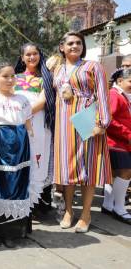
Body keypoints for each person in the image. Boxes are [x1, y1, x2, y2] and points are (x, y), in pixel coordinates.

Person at [53, 31, 111, 233]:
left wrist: (102, 123)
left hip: (86, 119)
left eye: (78, 42)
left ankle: (86, 213)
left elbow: (103, 95)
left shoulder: (93, 66)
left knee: (88, 167)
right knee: (68, 168)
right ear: (62, 47)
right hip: (64, 122)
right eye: (70, 43)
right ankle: (69, 211)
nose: (75, 46)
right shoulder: (57, 69)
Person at [0, 62, 36, 248]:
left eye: (13, 76)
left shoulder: (22, 100)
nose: (10, 80)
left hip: (19, 149)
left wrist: (31, 149)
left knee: (17, 186)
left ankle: (12, 232)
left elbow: (28, 126)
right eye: (5, 76)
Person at [14, 43, 54, 215]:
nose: (31, 57)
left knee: (36, 158)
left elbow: (43, 101)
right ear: (22, 57)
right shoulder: (14, 77)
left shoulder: (46, 77)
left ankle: (33, 204)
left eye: (35, 53)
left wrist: (25, 113)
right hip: (16, 122)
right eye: (28, 54)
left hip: (37, 122)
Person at [101, 68, 131, 224]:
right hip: (116, 142)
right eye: (130, 81)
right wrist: (128, 134)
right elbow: (109, 120)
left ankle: (108, 205)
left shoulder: (121, 95)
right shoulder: (114, 95)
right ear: (120, 81)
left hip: (119, 142)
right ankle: (119, 208)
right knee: (126, 172)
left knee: (114, 174)